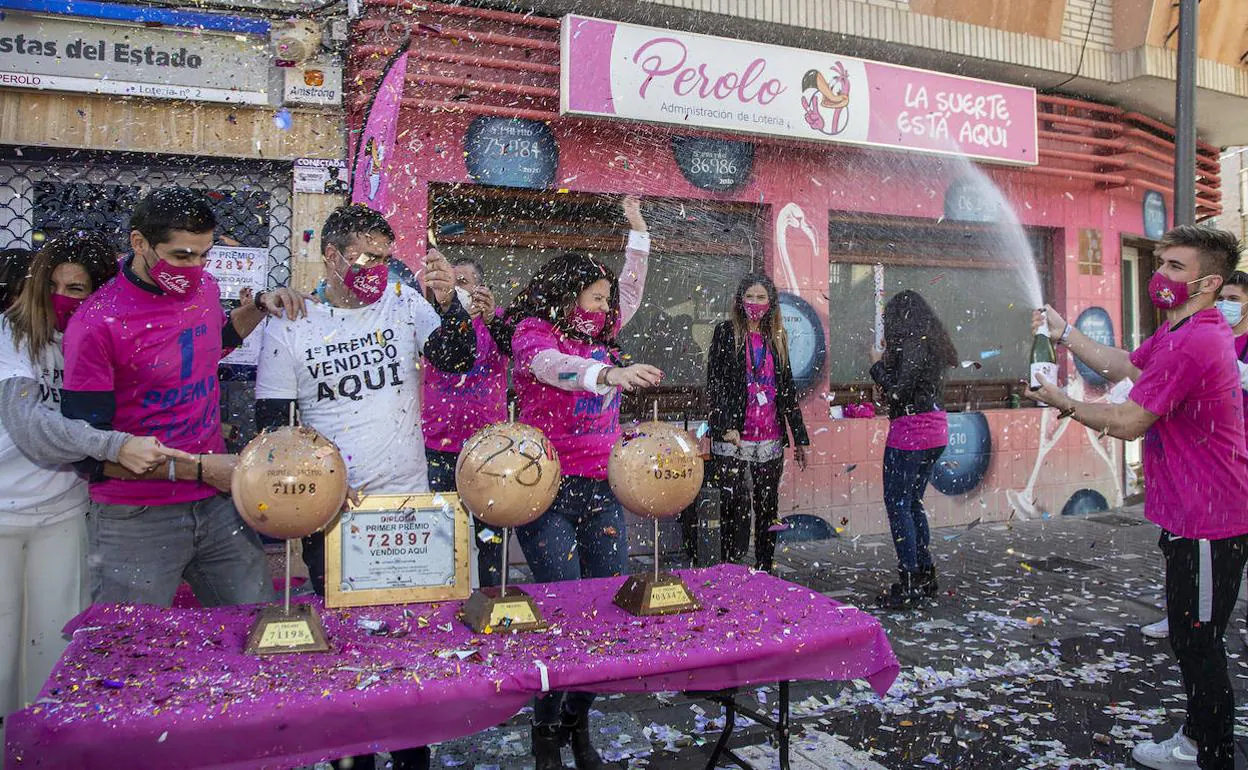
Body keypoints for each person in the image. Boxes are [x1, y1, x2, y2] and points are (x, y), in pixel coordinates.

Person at [255, 204, 475, 770]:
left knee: (411, 645)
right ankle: (350, 756)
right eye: (364, 256)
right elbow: (275, 426)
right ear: (330, 255)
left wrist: (447, 304)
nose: (376, 267)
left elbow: (457, 358)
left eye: (384, 257)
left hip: (407, 505)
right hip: (334, 512)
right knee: (345, 649)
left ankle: (412, 755)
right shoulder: (292, 321)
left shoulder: (403, 302)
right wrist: (302, 499)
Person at [1029, 225, 1248, 770]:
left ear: (1209, 281)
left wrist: (1063, 401)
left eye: (1176, 266)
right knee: (1189, 635)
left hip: (1209, 517)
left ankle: (1209, 752)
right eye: (1161, 263)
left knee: (1199, 642)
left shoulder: (1197, 338)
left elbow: (1129, 420)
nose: (1160, 276)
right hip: (1190, 511)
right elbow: (1129, 366)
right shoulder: (1180, 329)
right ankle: (1198, 741)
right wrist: (1065, 335)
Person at [60, 188, 307, 608]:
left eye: (203, 255)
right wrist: (200, 470)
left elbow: (217, 342)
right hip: (136, 517)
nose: (195, 267)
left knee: (256, 625)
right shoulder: (97, 323)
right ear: (139, 243)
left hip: (216, 506)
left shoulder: (204, 288)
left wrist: (261, 307)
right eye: (181, 256)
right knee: (127, 648)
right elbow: (86, 450)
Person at [494, 195, 655, 770]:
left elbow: (632, 290)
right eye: (596, 296)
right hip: (547, 491)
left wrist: (637, 231)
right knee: (561, 608)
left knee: (605, 605)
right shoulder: (533, 333)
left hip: (602, 486)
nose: (607, 306)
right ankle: (544, 730)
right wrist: (606, 374)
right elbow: (553, 370)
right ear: (567, 295)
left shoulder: (605, 324)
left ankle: (576, 722)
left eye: (607, 299)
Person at [0, 231, 189, 720]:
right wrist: (115, 446)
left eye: (78, 289)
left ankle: (45, 746)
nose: (63, 300)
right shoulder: (14, 335)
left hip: (63, 511)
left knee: (54, 651)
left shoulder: (93, 337)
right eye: (55, 288)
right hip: (3, 511)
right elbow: (30, 425)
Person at [705, 274, 809, 573]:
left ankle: (765, 569)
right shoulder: (726, 332)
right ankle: (730, 567)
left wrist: (799, 437)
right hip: (734, 436)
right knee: (732, 505)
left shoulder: (777, 337)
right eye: (749, 296)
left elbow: (788, 390)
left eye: (761, 297)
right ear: (740, 301)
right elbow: (716, 384)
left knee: (767, 506)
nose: (755, 303)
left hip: (770, 437)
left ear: (771, 303)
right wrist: (725, 425)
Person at [421, 257, 508, 587]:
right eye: (452, 281)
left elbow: (516, 348)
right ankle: (443, 595)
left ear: (481, 289)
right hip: (439, 445)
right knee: (441, 533)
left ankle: (491, 592)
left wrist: (491, 319)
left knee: (490, 535)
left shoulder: (496, 321)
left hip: (485, 448)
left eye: (466, 282)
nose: (459, 288)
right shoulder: (432, 319)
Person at [868, 290, 956, 609]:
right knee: (912, 502)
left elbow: (896, 390)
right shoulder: (929, 342)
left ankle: (909, 582)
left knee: (898, 503)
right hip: (935, 430)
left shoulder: (912, 343)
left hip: (911, 433)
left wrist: (876, 366)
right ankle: (924, 573)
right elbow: (907, 389)